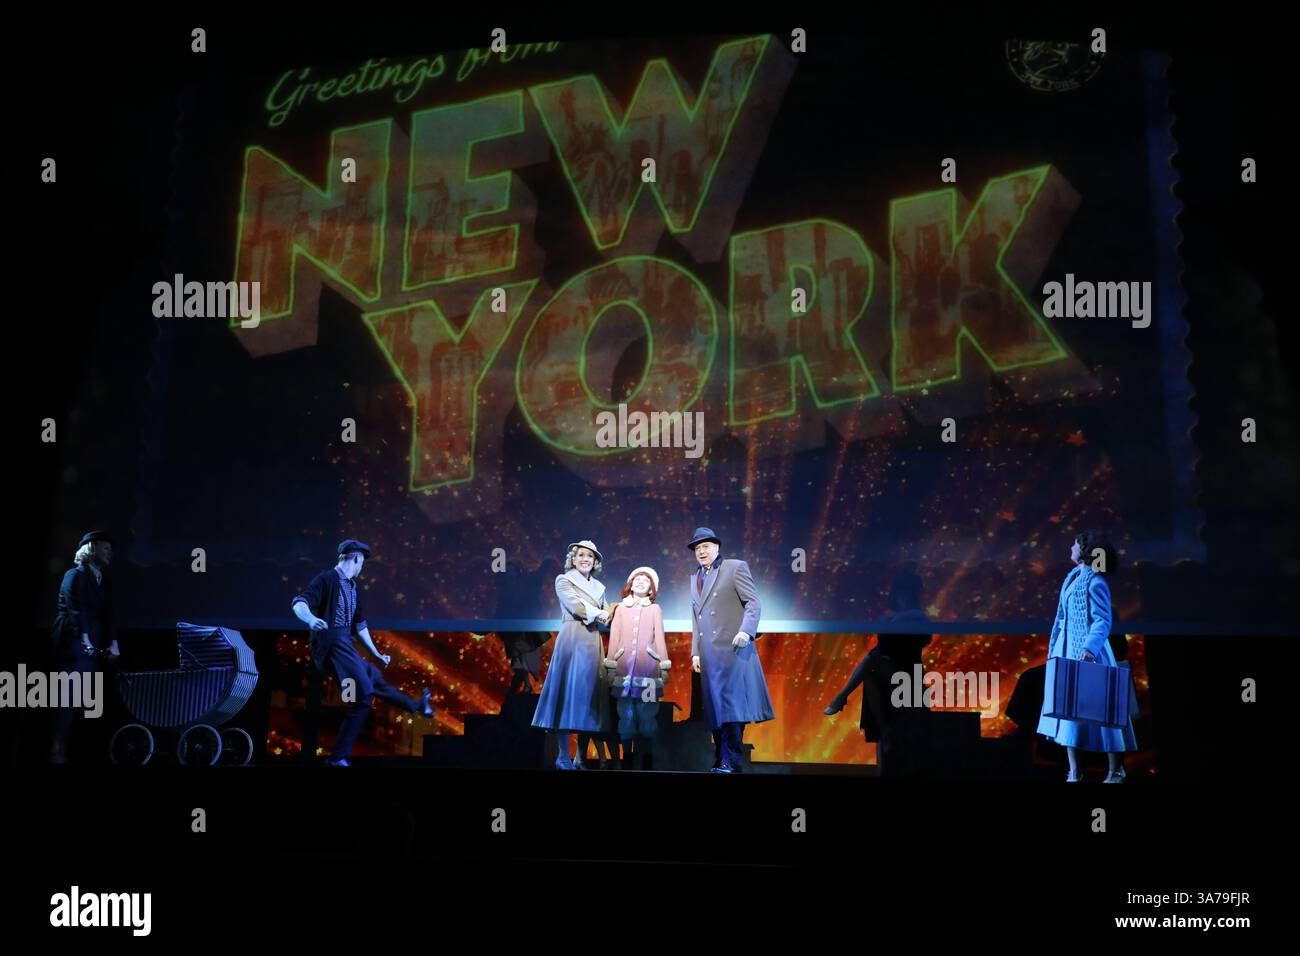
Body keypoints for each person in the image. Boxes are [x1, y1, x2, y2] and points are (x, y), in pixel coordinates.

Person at [291, 539, 433, 766]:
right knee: (362, 699)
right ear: (356, 559)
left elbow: (359, 624)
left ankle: (417, 706)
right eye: (362, 563)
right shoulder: (327, 579)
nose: (361, 568)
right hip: (332, 645)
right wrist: (311, 619)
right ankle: (337, 759)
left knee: (374, 677)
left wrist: (376, 653)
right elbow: (299, 602)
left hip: (345, 644)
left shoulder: (352, 587)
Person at [1036, 531, 1137, 782]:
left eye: (1075, 543)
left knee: (1105, 713)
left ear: (1086, 550)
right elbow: (1063, 617)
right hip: (1067, 650)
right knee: (1068, 712)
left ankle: (1116, 770)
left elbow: (1103, 620)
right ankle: (1075, 770)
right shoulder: (1073, 577)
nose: (1071, 547)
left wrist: (1090, 647)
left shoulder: (1096, 581)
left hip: (1090, 653)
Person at [823, 569, 932, 769]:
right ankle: (885, 731)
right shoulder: (890, 619)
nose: (904, 596)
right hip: (890, 674)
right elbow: (884, 646)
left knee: (871, 663)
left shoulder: (917, 618)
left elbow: (923, 640)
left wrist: (897, 624)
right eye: (901, 592)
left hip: (910, 675)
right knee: (871, 675)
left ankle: (841, 697)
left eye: (908, 592)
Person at [687, 527, 773, 772]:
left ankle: (731, 760)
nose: (701, 551)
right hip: (708, 654)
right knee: (715, 709)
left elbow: (753, 602)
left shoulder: (735, 567)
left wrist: (746, 631)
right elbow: (696, 618)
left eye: (705, 546)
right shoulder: (695, 577)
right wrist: (695, 652)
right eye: (697, 548)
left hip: (732, 650)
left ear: (717, 547)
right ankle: (721, 758)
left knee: (731, 707)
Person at [531, 540, 612, 769]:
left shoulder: (600, 587)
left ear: (595, 562)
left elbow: (608, 616)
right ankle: (563, 756)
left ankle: (580, 757)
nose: (586, 559)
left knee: (588, 699)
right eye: (581, 555)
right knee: (567, 695)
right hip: (573, 640)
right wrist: (604, 614)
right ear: (573, 559)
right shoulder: (564, 580)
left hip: (592, 641)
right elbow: (576, 608)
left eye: (590, 556)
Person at [49, 531, 120, 764]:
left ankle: (69, 750)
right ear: (91, 547)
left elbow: (108, 615)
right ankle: (56, 750)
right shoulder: (74, 575)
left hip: (91, 646)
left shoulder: (104, 580)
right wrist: (85, 639)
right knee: (66, 699)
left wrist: (113, 643)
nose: (109, 550)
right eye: (105, 545)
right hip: (73, 645)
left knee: (81, 700)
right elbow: (74, 609)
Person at [604, 567, 669, 770]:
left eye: (645, 580)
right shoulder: (620, 609)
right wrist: (611, 668)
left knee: (647, 713)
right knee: (626, 714)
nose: (640, 581)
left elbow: (660, 638)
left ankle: (647, 759)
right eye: (637, 578)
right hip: (624, 670)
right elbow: (614, 639)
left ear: (651, 588)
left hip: (648, 671)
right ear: (630, 584)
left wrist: (664, 666)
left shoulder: (655, 609)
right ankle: (628, 759)